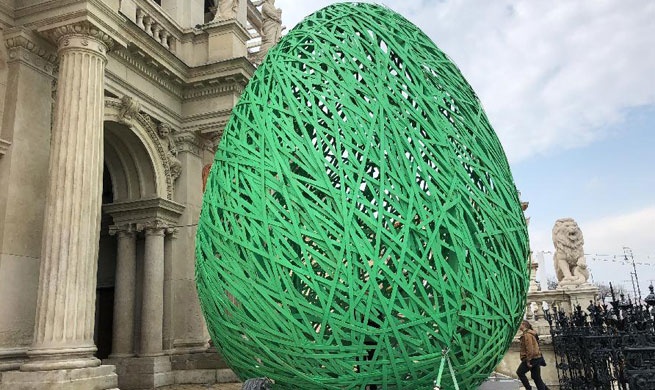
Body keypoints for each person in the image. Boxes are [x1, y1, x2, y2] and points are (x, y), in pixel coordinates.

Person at [516, 320, 549, 390]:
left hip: (532, 359)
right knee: (536, 377)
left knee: (520, 372)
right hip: (536, 358)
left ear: (524, 325)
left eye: (520, 324)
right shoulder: (530, 333)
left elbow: (530, 349)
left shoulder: (527, 335)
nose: (518, 325)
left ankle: (528, 388)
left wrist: (528, 361)